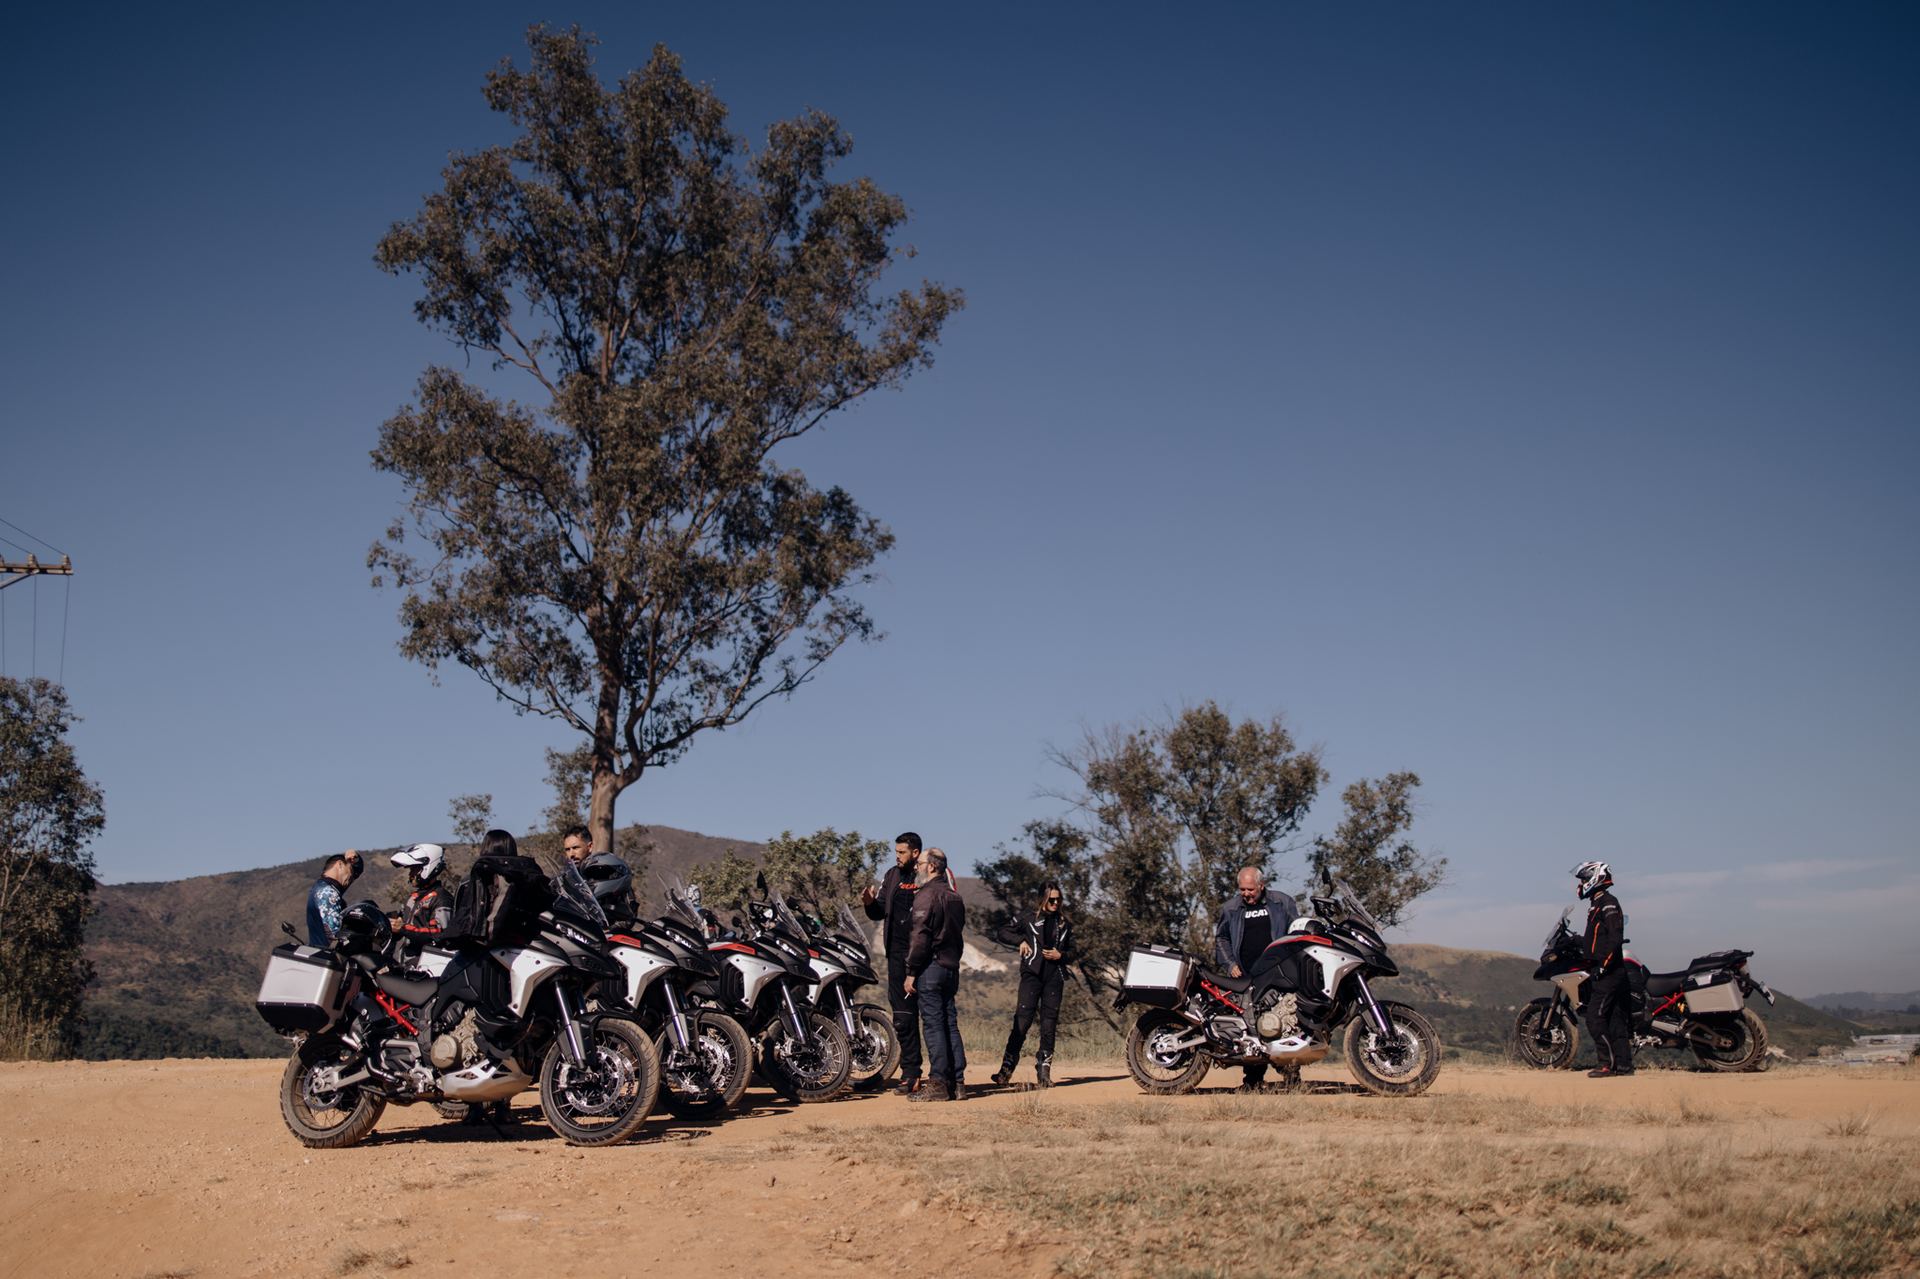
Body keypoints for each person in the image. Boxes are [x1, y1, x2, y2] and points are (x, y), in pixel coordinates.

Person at [1213, 865, 1299, 1092]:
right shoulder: (1231, 908)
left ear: (1261, 885)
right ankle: (1252, 1081)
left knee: (1283, 1025)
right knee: (1251, 1028)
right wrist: (1230, 964)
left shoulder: (1282, 903)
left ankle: (1291, 1077)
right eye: (1242, 889)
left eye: (1250, 889)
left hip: (1278, 976)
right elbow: (1221, 938)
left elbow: (1298, 933)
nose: (1246, 894)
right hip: (1246, 978)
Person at [991, 883, 1073, 1088]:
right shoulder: (1028, 916)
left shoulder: (1065, 923)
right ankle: (1005, 1071)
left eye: (1058, 899)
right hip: (1031, 975)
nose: (1055, 903)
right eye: (1051, 899)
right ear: (1042, 899)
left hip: (1054, 977)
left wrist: (1061, 955)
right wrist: (1020, 940)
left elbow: (1075, 951)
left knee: (1049, 1024)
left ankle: (1044, 1072)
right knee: (1022, 1021)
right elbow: (1002, 932)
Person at [862, 831, 926, 1094]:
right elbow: (878, 911)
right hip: (897, 956)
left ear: (915, 853)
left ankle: (945, 1076)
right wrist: (868, 903)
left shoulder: (927, 874)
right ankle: (911, 1073)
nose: (897, 856)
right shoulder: (891, 875)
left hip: (925, 955)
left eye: (902, 852)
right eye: (896, 852)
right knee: (902, 1017)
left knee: (932, 1016)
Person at [904, 847, 967, 1102]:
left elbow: (920, 938)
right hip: (951, 968)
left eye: (919, 863)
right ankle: (958, 1084)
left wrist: (911, 971)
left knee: (933, 1025)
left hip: (930, 968)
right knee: (950, 1023)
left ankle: (938, 1083)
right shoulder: (955, 897)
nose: (916, 867)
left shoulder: (926, 895)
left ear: (931, 866)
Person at [1575, 860, 1634, 1078]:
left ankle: (1606, 1065)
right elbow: (1595, 939)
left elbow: (1614, 938)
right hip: (1608, 970)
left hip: (1609, 972)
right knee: (1614, 1019)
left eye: (1583, 880)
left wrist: (1603, 967)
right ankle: (1624, 1066)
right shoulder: (1597, 904)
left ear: (1595, 879)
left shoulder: (1608, 903)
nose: (1580, 885)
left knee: (1595, 1018)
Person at [561, 825, 638, 922]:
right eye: (567, 849)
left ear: (590, 847)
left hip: (606, 928)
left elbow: (629, 911)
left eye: (575, 848)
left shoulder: (606, 870)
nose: (571, 854)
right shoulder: (566, 879)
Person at [390, 843, 452, 961]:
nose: (410, 874)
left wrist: (403, 928)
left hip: (429, 965)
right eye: (411, 869)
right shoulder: (413, 898)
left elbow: (440, 934)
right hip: (408, 963)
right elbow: (403, 926)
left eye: (415, 869)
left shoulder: (441, 898)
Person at [305, 851, 358, 947]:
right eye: (351, 870)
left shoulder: (322, 887)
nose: (351, 877)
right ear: (340, 864)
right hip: (325, 953)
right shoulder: (327, 892)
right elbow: (335, 935)